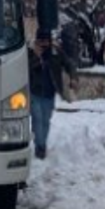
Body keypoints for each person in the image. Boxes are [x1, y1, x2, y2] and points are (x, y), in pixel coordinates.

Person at [28, 29, 63, 160]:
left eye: (46, 41)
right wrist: (36, 57)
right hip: (34, 92)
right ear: (36, 41)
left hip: (49, 94)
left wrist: (74, 77)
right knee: (37, 119)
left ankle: (41, 142)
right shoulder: (30, 54)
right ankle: (40, 147)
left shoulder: (54, 53)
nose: (43, 44)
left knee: (46, 121)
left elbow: (68, 63)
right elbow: (25, 68)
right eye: (40, 41)